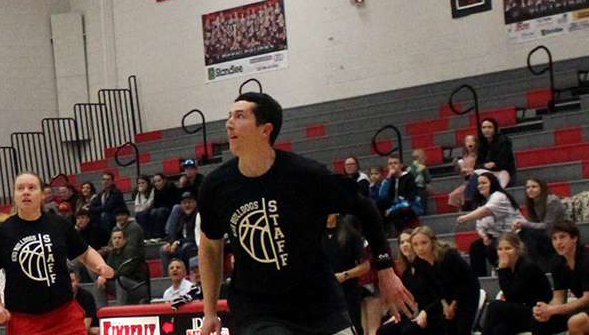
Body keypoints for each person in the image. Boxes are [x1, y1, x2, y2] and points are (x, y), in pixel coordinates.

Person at [196, 92, 415, 335]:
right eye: (229, 116)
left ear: (265, 129)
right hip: (258, 309)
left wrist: (385, 270)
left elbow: (366, 209)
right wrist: (209, 311)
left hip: (319, 302)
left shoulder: (306, 175)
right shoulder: (216, 186)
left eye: (239, 116)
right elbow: (209, 247)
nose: (229, 123)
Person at [0, 174, 116, 335]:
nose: (25, 192)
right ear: (14, 195)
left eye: (31, 188)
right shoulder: (2, 232)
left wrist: (100, 265)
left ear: (42, 194)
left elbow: (85, 252)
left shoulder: (59, 224)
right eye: (20, 188)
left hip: (64, 315)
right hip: (25, 320)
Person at [377, 227, 474, 335]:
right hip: (444, 301)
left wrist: (453, 304)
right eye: (416, 244)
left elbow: (465, 282)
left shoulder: (448, 256)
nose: (420, 248)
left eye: (424, 243)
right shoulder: (419, 264)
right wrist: (445, 305)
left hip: (466, 296)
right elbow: (436, 289)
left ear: (432, 242)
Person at [535, 219, 589, 335]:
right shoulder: (557, 263)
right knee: (539, 322)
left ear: (574, 238)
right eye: (554, 238)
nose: (558, 242)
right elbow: (559, 298)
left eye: (562, 237)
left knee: (575, 322)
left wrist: (553, 310)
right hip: (583, 307)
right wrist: (544, 310)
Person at [482, 234, 557, 335]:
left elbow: (511, 296)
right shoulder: (511, 267)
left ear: (517, 249)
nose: (503, 253)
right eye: (500, 249)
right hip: (524, 310)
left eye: (508, 248)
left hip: (539, 312)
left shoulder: (527, 267)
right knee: (500, 330)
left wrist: (503, 269)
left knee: (494, 307)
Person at [456, 173, 526, 277]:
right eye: (479, 183)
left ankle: (505, 271)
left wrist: (465, 218)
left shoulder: (499, 196)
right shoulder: (482, 202)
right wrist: (484, 236)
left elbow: (486, 211)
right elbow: (479, 225)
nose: (480, 186)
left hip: (515, 234)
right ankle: (479, 279)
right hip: (498, 236)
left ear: (492, 184)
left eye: (484, 183)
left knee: (492, 247)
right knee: (476, 246)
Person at [323, 214, 372, 335]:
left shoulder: (351, 234)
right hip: (324, 291)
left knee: (353, 327)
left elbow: (366, 266)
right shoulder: (315, 234)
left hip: (347, 290)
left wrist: (345, 275)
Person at [518, 178, 570, 264]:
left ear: (542, 188)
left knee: (528, 232)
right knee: (522, 232)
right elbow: (534, 223)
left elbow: (548, 225)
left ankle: (537, 264)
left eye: (534, 187)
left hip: (558, 231)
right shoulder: (532, 202)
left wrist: (525, 224)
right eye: (528, 187)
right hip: (544, 234)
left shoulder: (552, 201)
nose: (530, 190)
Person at [98, 230, 148, 306]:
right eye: (114, 238)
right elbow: (108, 269)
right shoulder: (112, 253)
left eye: (119, 238)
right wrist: (103, 277)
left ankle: (120, 309)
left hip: (138, 286)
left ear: (125, 240)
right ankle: (101, 311)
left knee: (121, 279)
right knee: (99, 282)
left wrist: (109, 274)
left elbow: (125, 272)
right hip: (122, 287)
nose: (117, 240)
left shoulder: (131, 251)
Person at [161, 194, 198, 270]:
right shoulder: (181, 217)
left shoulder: (198, 215)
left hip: (194, 244)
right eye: (184, 203)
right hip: (183, 243)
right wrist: (170, 243)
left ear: (195, 203)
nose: (187, 205)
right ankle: (168, 277)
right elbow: (177, 234)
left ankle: (184, 273)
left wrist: (178, 242)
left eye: (189, 202)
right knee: (164, 249)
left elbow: (194, 237)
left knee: (185, 247)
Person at [478, 119, 516, 185]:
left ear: (495, 129)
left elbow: (504, 162)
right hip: (487, 173)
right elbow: (477, 163)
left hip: (505, 173)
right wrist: (484, 165)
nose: (486, 130)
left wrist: (494, 164)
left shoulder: (504, 141)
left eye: (490, 127)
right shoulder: (480, 143)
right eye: (484, 127)